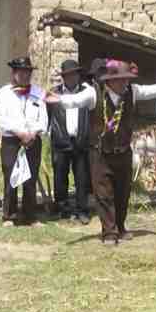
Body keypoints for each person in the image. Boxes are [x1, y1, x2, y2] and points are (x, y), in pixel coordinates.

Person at [46, 59, 156, 243]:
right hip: (100, 153)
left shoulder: (133, 92)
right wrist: (59, 99)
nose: (125, 83)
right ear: (110, 81)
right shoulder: (94, 94)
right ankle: (109, 232)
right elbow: (75, 101)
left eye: (126, 79)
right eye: (121, 80)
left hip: (123, 152)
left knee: (122, 193)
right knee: (103, 193)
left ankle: (121, 227)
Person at [0, 57, 48, 227]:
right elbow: (1, 119)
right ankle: (9, 215)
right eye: (22, 72)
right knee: (11, 176)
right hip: (11, 140)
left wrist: (33, 133)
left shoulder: (38, 93)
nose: (25, 75)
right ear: (14, 73)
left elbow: (44, 119)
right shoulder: (3, 93)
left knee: (30, 178)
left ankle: (30, 216)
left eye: (28, 72)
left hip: (33, 139)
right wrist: (19, 132)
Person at [49, 59, 91, 224]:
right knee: (60, 177)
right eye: (68, 75)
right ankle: (62, 209)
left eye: (74, 74)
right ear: (63, 77)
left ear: (78, 75)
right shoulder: (55, 94)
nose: (71, 78)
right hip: (61, 140)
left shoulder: (86, 93)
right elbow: (48, 115)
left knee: (82, 178)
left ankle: (82, 210)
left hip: (80, 141)